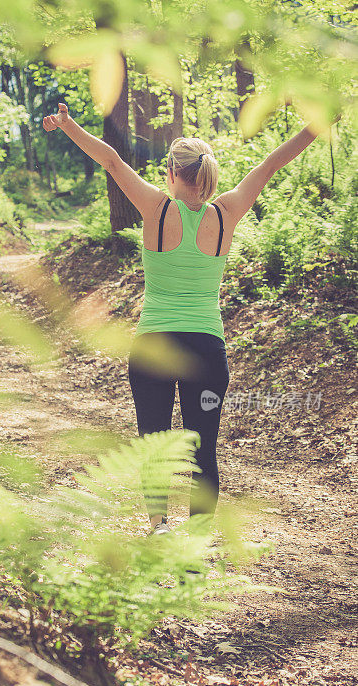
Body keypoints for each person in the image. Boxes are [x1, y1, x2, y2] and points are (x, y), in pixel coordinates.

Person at [42, 101, 322, 534]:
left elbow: (113, 161)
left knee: (154, 444)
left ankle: (158, 526)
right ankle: (196, 541)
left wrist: (68, 126)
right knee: (202, 450)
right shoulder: (226, 213)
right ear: (206, 174)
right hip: (207, 350)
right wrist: (317, 122)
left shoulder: (157, 210)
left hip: (154, 343)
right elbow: (272, 162)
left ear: (171, 174)